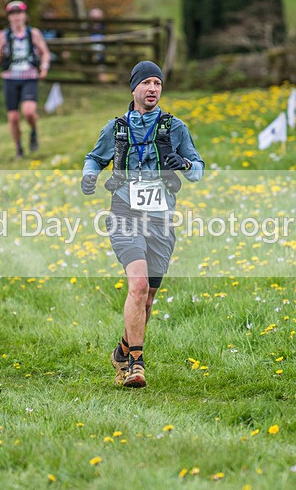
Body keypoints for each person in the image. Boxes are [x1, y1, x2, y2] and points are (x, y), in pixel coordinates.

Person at [81, 61, 205, 388]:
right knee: (136, 286)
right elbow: (95, 157)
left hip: (161, 217)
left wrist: (186, 162)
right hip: (124, 211)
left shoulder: (174, 127)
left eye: (157, 83)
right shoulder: (117, 127)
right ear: (133, 88)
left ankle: (122, 350)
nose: (152, 89)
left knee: (147, 298)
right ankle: (136, 363)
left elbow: (198, 170)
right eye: (146, 83)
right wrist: (89, 175)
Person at [0, 0, 52, 158]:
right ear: (9, 17)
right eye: (12, 14)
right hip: (10, 78)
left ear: (25, 15)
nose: (16, 17)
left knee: (29, 112)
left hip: (29, 77)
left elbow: (45, 53)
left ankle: (33, 131)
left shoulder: (33, 33)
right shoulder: (3, 36)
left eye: (19, 13)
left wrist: (44, 67)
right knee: (13, 117)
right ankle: (18, 148)